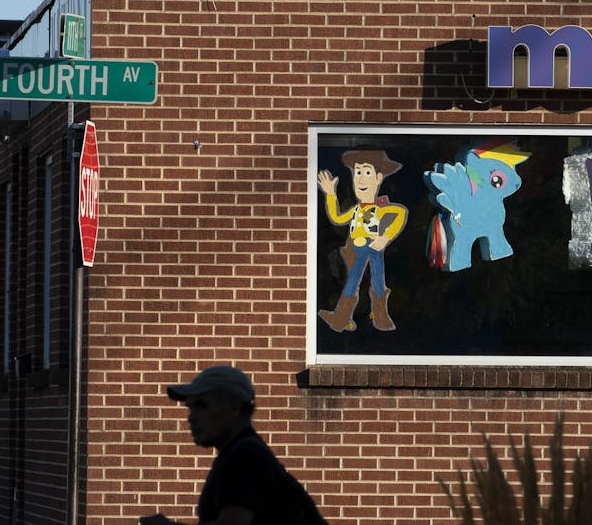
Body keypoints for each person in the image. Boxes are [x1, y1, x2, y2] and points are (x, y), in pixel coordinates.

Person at [140, 365, 326, 525]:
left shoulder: (244, 456)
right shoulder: (244, 452)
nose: (191, 417)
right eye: (190, 407)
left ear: (235, 407)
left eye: (202, 405)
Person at [316, 149, 407, 332]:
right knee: (352, 281)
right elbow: (337, 217)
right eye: (357, 172)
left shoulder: (382, 209)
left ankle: (380, 317)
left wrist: (385, 237)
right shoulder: (356, 209)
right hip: (356, 249)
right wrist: (330, 194)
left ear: (378, 178)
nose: (361, 179)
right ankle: (341, 318)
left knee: (378, 280)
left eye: (367, 172)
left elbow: (401, 213)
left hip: (373, 246)